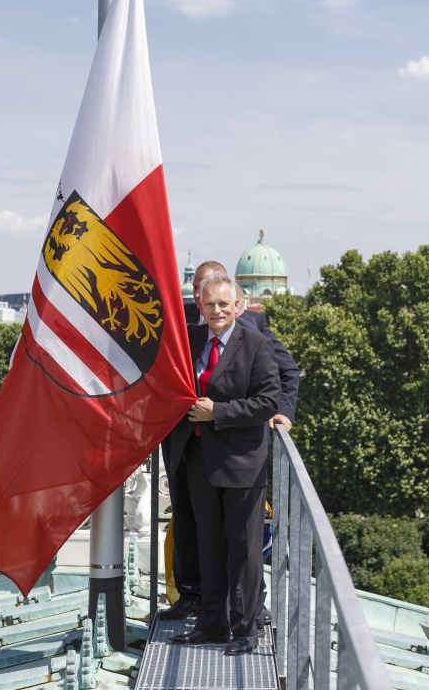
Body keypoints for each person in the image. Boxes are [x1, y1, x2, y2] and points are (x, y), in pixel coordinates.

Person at [160, 260, 299, 625]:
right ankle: (199, 603)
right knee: (194, 529)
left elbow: (283, 376)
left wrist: (282, 412)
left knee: (242, 538)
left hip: (235, 452)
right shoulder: (184, 325)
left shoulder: (253, 330)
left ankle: (248, 612)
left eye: (220, 299)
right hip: (187, 448)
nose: (212, 306)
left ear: (237, 299)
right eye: (202, 296)